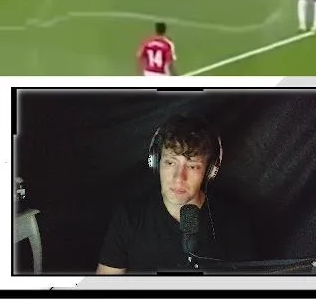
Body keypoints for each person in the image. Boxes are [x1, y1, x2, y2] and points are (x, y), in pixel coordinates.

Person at [96, 115, 258, 274]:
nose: (179, 178)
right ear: (156, 163)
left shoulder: (233, 222)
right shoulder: (129, 218)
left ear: (209, 172)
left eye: (193, 166)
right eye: (170, 162)